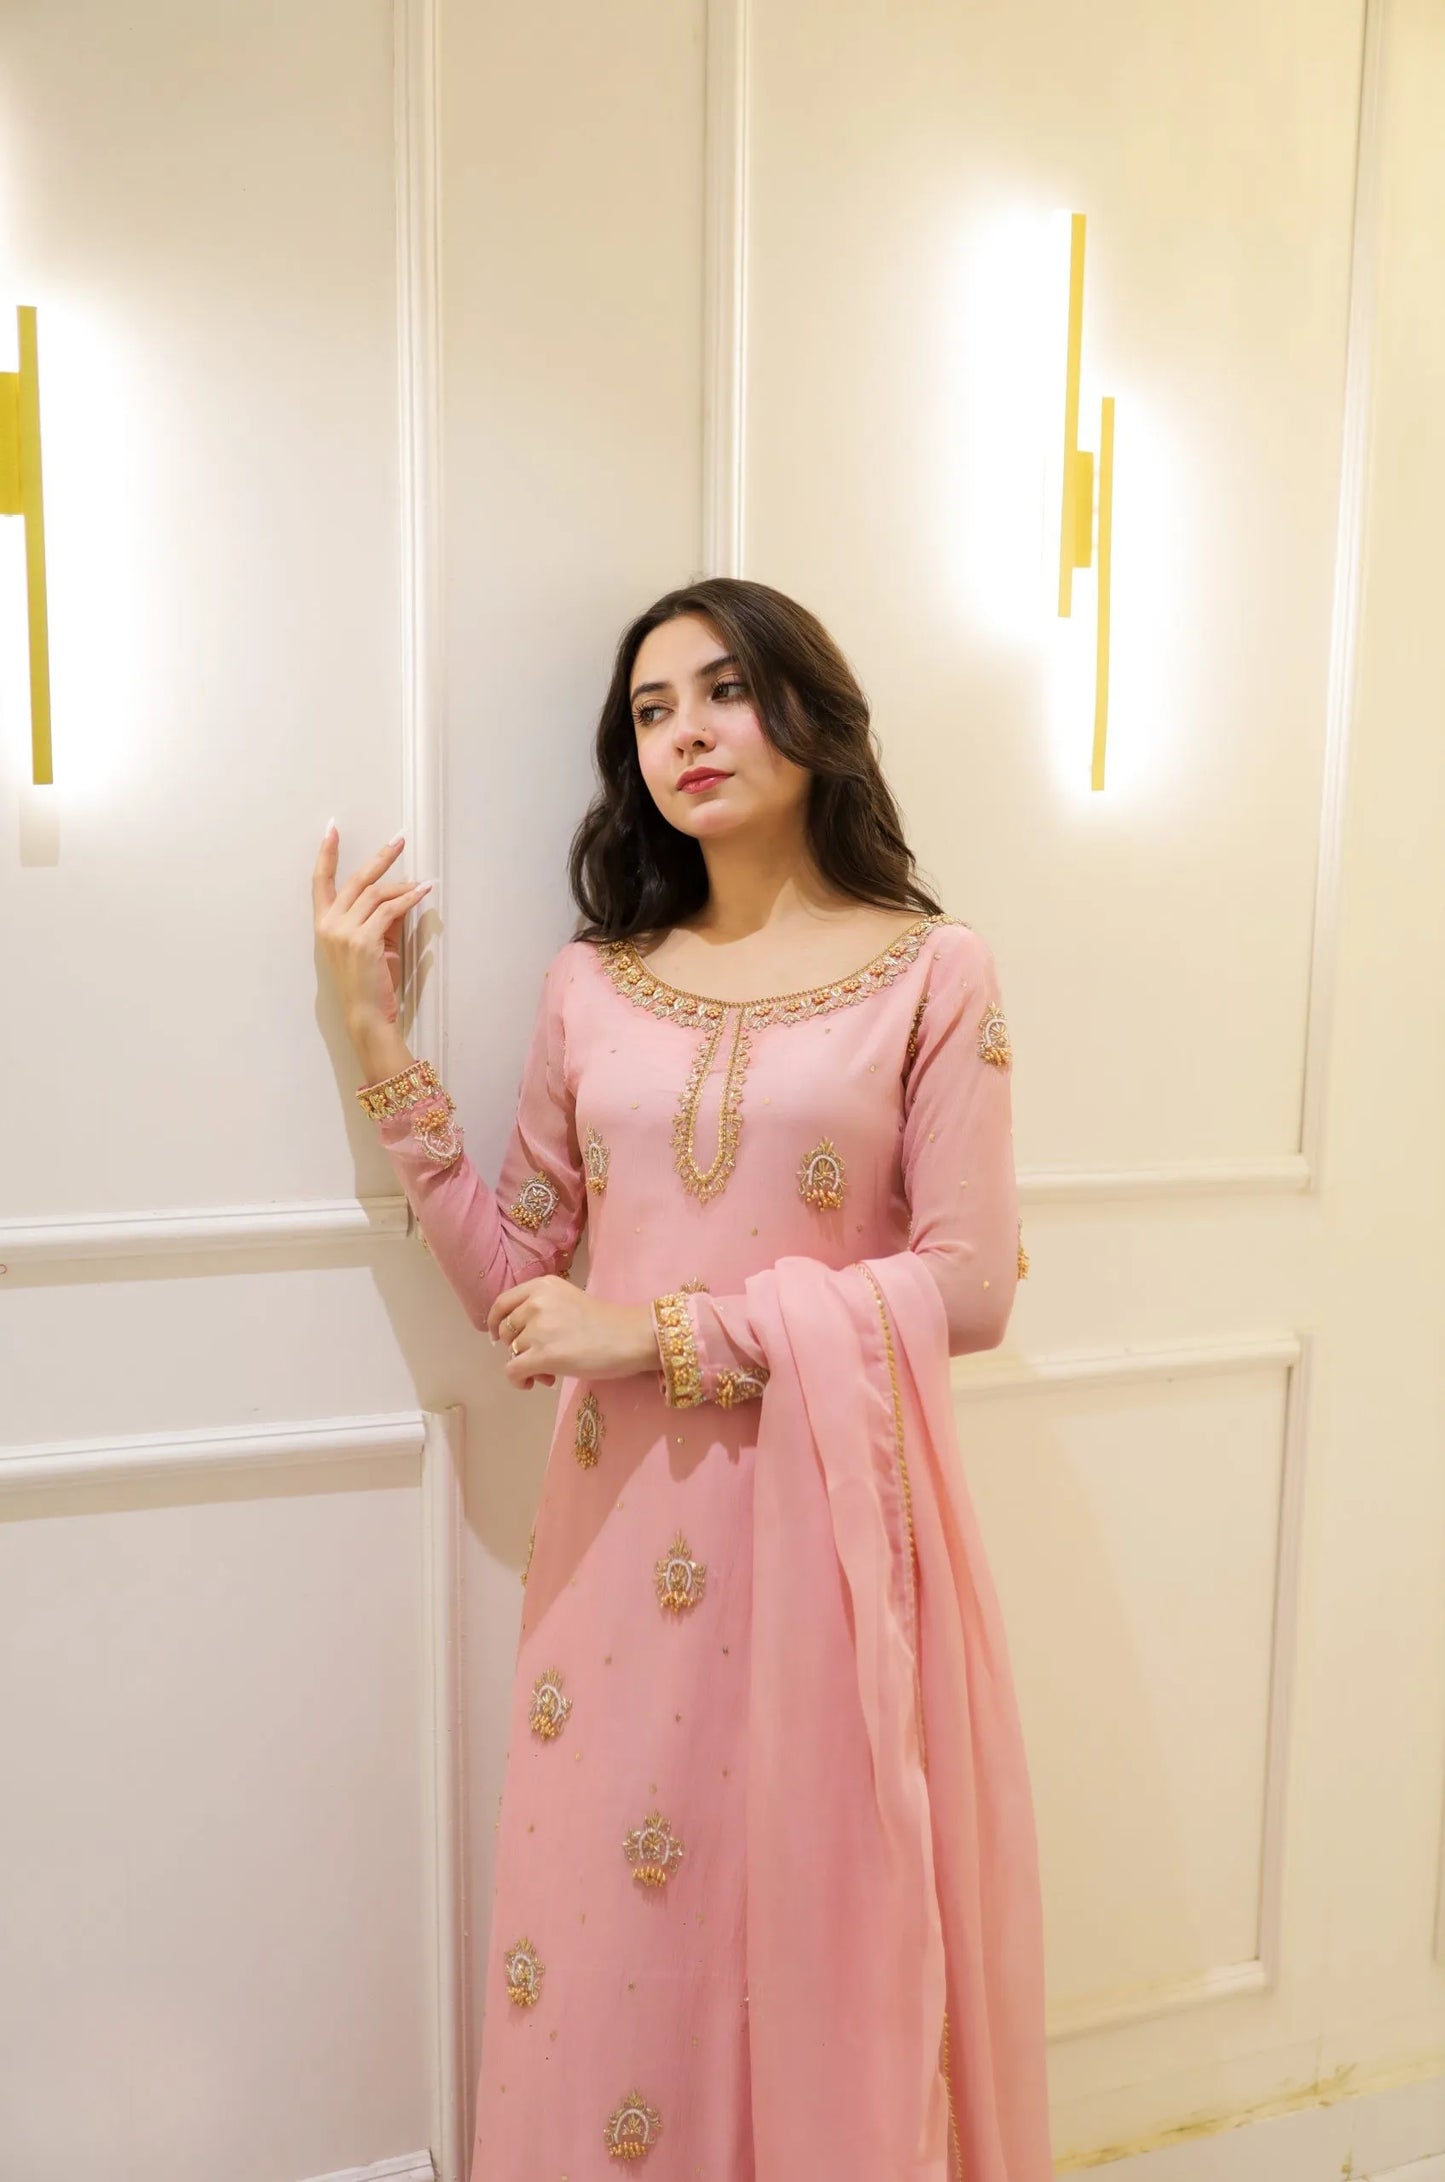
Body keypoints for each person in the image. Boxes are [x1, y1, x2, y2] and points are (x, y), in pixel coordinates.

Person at [313, 576, 1054, 2180]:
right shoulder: (597, 982)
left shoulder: (933, 973)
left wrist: (652, 1333)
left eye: (721, 691)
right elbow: (522, 1276)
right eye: (650, 710)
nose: (685, 734)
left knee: (804, 1919)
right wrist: (374, 1034)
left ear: (811, 713)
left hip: (830, 1540)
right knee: (609, 1942)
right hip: (613, 1548)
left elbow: (970, 1283)